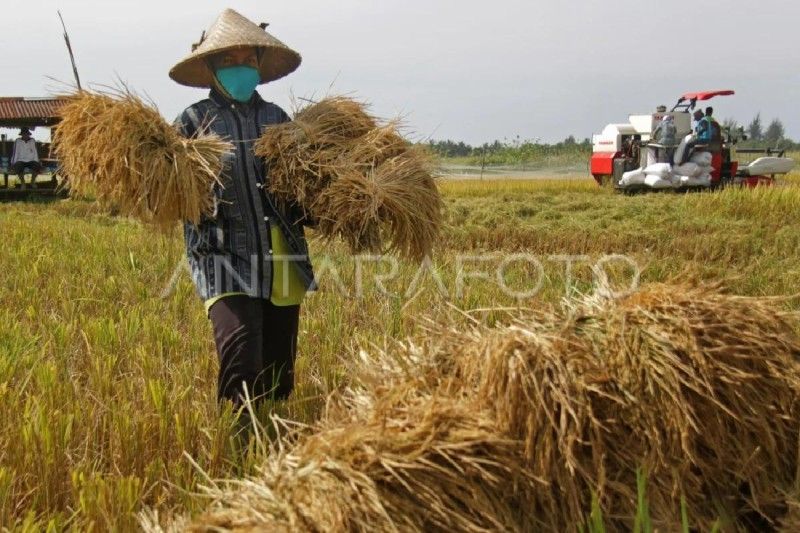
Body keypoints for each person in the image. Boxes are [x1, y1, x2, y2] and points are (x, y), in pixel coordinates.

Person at [170, 9, 315, 422]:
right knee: (241, 358)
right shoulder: (192, 122)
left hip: (282, 256)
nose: (240, 68)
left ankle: (275, 440)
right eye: (229, 60)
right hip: (222, 255)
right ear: (212, 66)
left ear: (259, 65)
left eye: (247, 60)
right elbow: (169, 192)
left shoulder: (278, 121)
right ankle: (238, 450)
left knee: (278, 369)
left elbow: (302, 188)